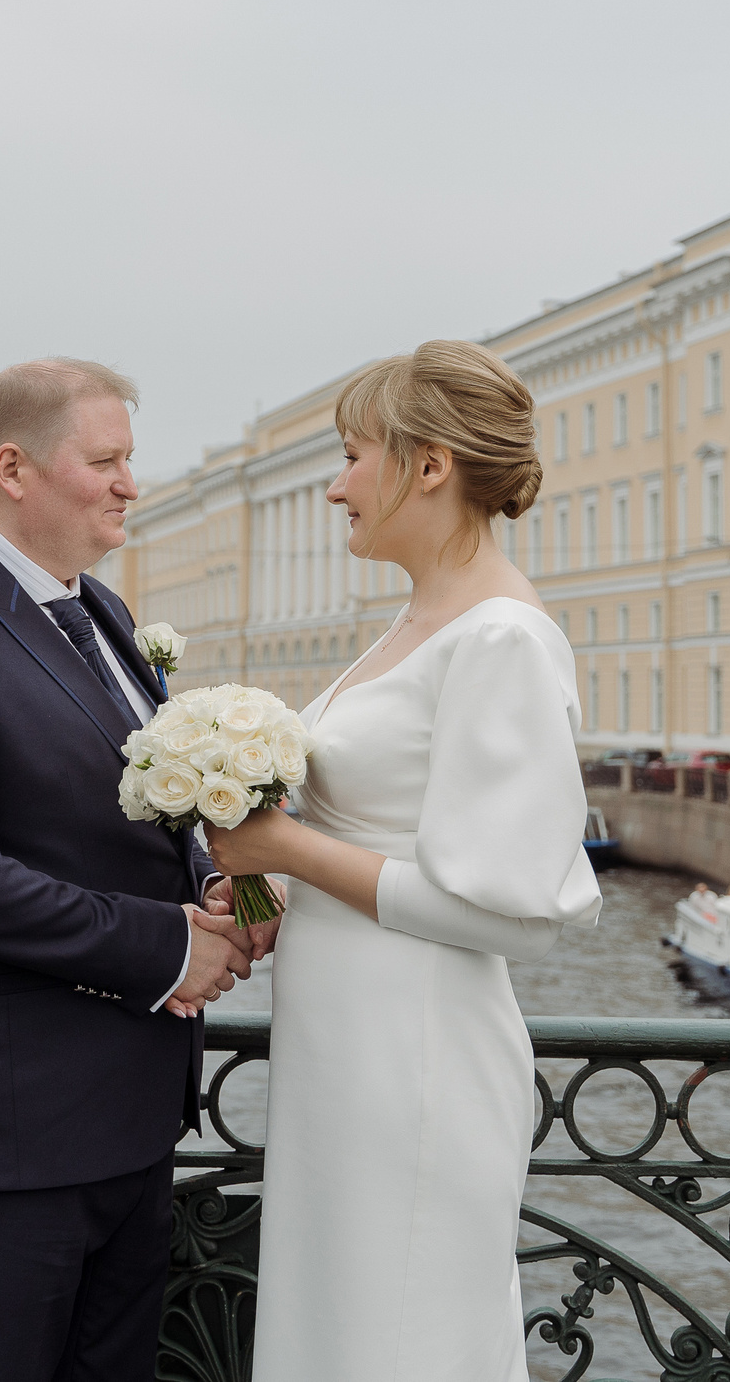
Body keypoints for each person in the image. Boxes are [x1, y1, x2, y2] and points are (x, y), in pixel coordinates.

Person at [0, 358, 258, 1382]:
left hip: (132, 1122)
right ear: (15, 468)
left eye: (130, 460)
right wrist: (167, 948)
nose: (129, 484)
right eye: (106, 461)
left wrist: (223, 884)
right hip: (14, 1139)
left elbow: (147, 820)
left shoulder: (104, 615)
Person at [205, 340, 603, 1382]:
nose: (336, 485)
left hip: (417, 1056)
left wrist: (283, 846)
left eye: (351, 455)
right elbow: (369, 824)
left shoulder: (500, 640)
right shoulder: (414, 621)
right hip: (346, 1052)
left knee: (402, 1337)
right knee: (342, 1332)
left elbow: (512, 914)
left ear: (427, 466)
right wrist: (258, 877)